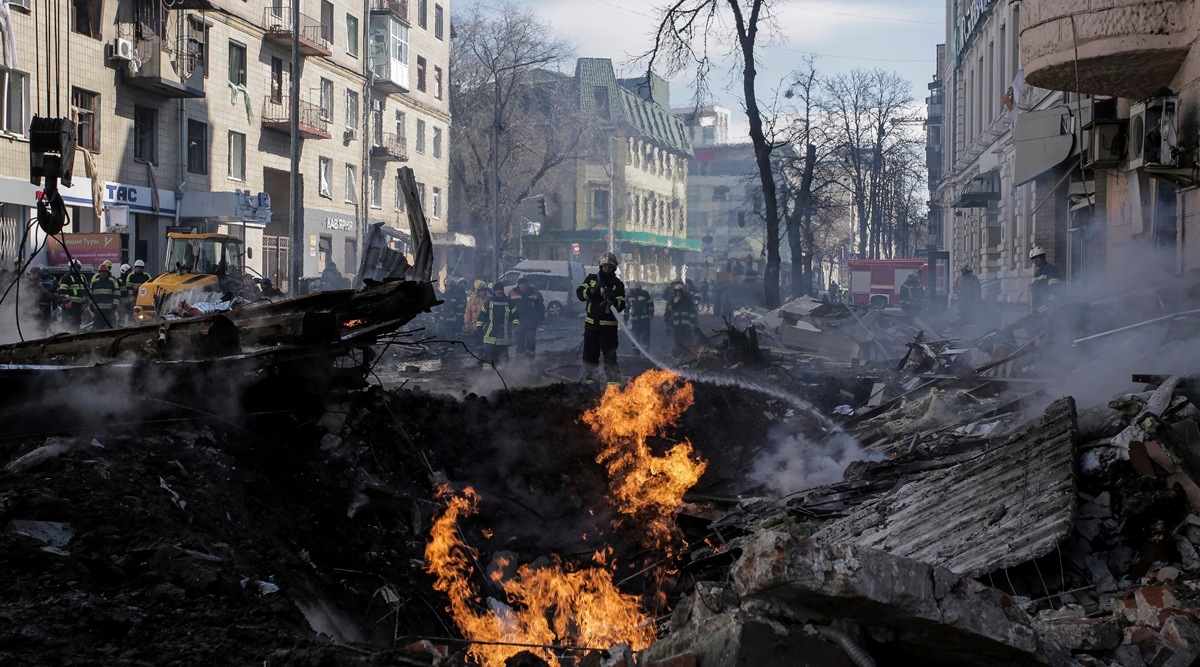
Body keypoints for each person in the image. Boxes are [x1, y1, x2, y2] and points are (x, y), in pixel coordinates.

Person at [576, 252, 626, 385]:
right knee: (590, 357)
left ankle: (613, 388)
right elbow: (580, 293)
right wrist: (593, 291)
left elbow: (622, 304)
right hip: (591, 327)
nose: (607, 269)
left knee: (610, 358)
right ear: (600, 266)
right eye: (604, 266)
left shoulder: (617, 284)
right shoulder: (592, 279)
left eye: (610, 267)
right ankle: (591, 385)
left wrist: (614, 300)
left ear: (614, 268)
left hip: (608, 329)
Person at [476, 282, 519, 366]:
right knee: (489, 353)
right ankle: (488, 375)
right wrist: (479, 327)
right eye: (497, 290)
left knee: (503, 355)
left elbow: (516, 315)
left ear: (503, 291)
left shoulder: (509, 302)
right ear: (494, 291)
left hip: (505, 334)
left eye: (500, 290)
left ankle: (503, 374)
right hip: (491, 332)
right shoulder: (489, 301)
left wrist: (515, 325)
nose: (499, 291)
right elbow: (482, 315)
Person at [508, 277, 545, 358]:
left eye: (525, 284)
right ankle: (520, 359)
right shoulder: (512, 293)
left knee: (530, 339)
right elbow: (508, 308)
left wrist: (541, 318)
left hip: (532, 321)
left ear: (528, 285)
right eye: (521, 284)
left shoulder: (535, 293)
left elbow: (541, 306)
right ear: (518, 285)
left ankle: (531, 358)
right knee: (519, 340)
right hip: (517, 321)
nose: (523, 286)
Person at [665, 281, 699, 354]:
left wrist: (693, 322)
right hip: (676, 324)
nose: (678, 293)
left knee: (687, 339)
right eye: (677, 291)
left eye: (680, 291)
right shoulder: (672, 300)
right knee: (677, 340)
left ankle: (687, 353)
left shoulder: (687, 300)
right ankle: (680, 352)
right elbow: (669, 311)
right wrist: (674, 302)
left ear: (682, 291)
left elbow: (692, 312)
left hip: (685, 324)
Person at [89, 260, 121, 330]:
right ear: (99, 273)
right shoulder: (94, 282)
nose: (103, 274)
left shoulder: (112, 281)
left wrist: (115, 305)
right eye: (101, 272)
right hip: (98, 311)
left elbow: (117, 293)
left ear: (107, 273)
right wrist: (91, 304)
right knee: (98, 329)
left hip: (109, 310)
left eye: (104, 272)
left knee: (110, 328)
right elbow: (91, 295)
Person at [1029, 246, 1062, 313]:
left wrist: (1046, 307)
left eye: (1036, 257)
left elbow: (1055, 290)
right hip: (1037, 311)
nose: (1034, 260)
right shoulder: (1038, 273)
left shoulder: (1050, 269)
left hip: (1047, 312)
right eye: (1033, 258)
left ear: (1042, 257)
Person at [57, 259, 88, 331]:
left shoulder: (83, 278)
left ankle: (75, 337)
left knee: (77, 322)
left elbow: (86, 291)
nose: (75, 269)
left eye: (77, 267)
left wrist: (86, 301)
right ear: (70, 268)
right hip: (69, 305)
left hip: (79, 305)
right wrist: (67, 301)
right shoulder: (66, 277)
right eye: (74, 267)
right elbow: (63, 291)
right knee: (68, 322)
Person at [31, 265, 57, 332]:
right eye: (38, 274)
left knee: (44, 325)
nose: (40, 275)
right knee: (37, 324)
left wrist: (55, 298)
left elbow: (46, 293)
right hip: (36, 307)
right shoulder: (31, 283)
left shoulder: (39, 283)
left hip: (46, 306)